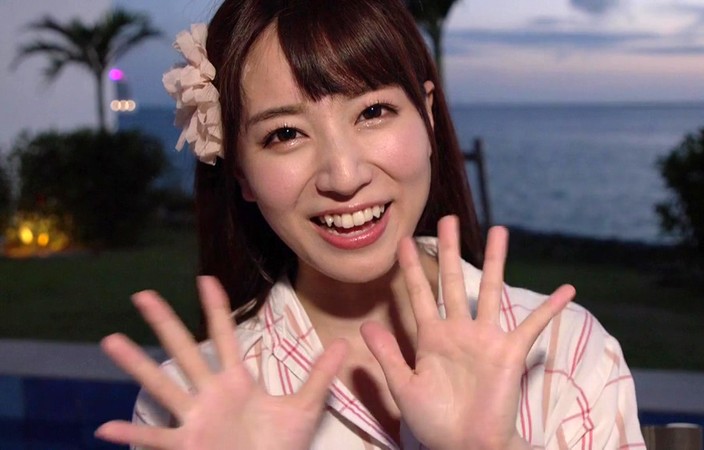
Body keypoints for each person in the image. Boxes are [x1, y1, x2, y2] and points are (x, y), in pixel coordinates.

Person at [95, 0, 645, 448]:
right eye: (285, 134)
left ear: (427, 116)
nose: (344, 175)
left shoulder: (566, 352)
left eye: (373, 112)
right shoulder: (194, 404)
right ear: (241, 173)